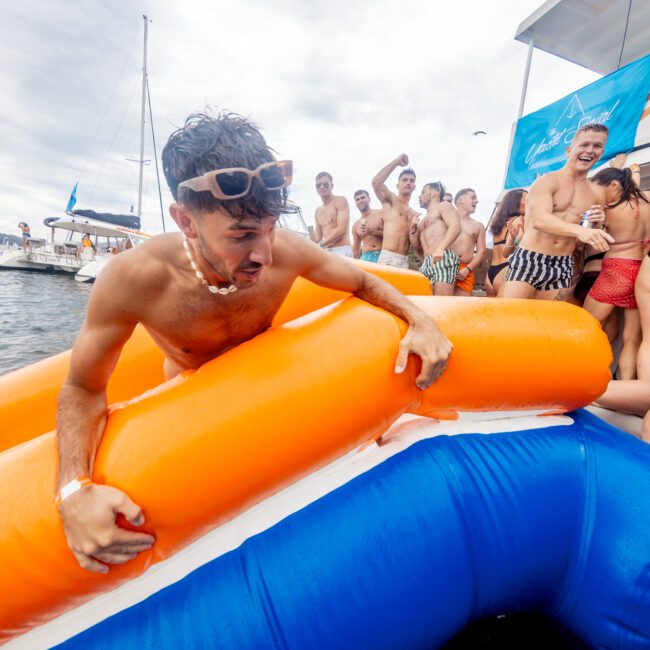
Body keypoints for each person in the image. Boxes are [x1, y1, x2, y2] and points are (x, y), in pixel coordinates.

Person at [55, 112, 453, 574]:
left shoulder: (284, 250)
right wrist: (72, 489)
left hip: (271, 392)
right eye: (242, 236)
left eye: (268, 228)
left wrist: (418, 318)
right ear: (185, 221)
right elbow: (83, 388)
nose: (264, 254)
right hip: (193, 407)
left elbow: (361, 281)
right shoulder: (136, 279)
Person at [501, 124, 613, 300]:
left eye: (597, 146)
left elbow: (582, 243)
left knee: (547, 323)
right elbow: (539, 220)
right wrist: (581, 231)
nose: (590, 150)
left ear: (601, 152)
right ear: (569, 150)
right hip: (530, 258)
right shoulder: (547, 181)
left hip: (563, 264)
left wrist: (596, 224)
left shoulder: (597, 192)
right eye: (584, 145)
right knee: (511, 318)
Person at [583, 164, 649, 379]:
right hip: (641, 273)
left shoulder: (606, 211)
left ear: (614, 185)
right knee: (632, 338)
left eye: (599, 190)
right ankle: (627, 384)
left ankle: (585, 376)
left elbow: (590, 240)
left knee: (586, 325)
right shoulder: (646, 201)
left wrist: (593, 225)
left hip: (615, 272)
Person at [409, 182, 461, 295]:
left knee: (442, 304)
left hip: (443, 256)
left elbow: (455, 226)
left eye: (423, 192)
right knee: (426, 302)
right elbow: (416, 246)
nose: (419, 196)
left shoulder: (443, 206)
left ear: (434, 193)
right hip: (427, 262)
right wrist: (413, 227)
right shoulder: (422, 221)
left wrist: (441, 248)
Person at [372, 155, 420, 268]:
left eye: (411, 181)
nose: (408, 183)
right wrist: (396, 162)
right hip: (388, 259)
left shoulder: (414, 214)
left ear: (414, 186)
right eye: (404, 180)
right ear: (397, 185)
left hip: (404, 261)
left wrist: (414, 228)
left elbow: (415, 246)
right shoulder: (391, 200)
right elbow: (376, 182)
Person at [486, 189, 527, 296]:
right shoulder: (519, 220)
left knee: (492, 311)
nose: (529, 202)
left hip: (490, 273)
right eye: (526, 199)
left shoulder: (497, 223)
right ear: (516, 202)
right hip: (506, 270)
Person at [450, 188, 486, 296]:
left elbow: (481, 252)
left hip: (465, 269)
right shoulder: (447, 220)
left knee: (462, 306)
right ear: (461, 200)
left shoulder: (478, 226)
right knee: (441, 304)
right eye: (473, 197)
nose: (476, 201)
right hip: (446, 266)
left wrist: (467, 269)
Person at [314, 172, 352, 257]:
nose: (322, 187)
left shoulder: (340, 201)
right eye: (318, 185)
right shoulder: (317, 211)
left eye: (325, 184)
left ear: (332, 186)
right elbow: (317, 238)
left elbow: (342, 229)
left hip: (342, 249)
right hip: (326, 251)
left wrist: (321, 244)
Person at [351, 189, 384, 262]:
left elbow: (391, 236)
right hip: (365, 258)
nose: (360, 201)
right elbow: (356, 250)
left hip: (382, 255)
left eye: (363, 197)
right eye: (357, 199)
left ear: (369, 199)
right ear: (356, 203)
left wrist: (372, 231)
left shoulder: (381, 214)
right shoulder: (355, 225)